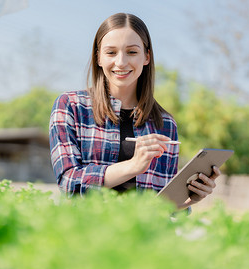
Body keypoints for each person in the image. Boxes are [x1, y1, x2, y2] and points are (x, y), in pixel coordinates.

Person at [49, 12, 220, 209]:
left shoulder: (164, 123)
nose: (121, 62)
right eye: (111, 52)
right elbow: (69, 182)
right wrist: (133, 166)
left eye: (132, 52)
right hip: (87, 234)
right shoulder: (71, 106)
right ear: (98, 58)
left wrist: (189, 200)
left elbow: (162, 209)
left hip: (142, 237)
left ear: (146, 56)